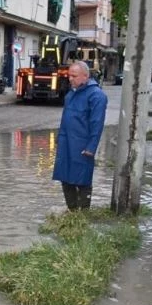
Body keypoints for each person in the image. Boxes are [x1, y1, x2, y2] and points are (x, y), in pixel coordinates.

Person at [52, 60, 108, 211]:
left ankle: (83, 214)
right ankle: (72, 211)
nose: (70, 79)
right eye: (69, 75)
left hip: (82, 144)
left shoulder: (96, 96)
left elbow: (97, 124)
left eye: (74, 76)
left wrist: (91, 147)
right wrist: (60, 139)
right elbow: (66, 118)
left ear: (85, 76)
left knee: (82, 179)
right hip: (66, 142)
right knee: (65, 176)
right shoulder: (71, 94)